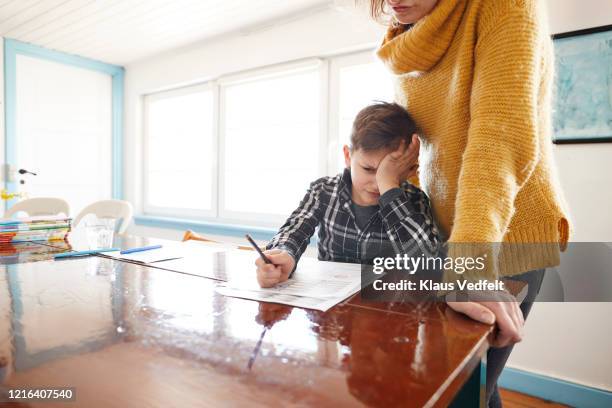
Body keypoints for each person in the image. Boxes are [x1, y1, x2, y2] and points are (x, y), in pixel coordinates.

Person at [369, 0, 571, 406]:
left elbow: (499, 139)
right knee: (456, 384)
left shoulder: (505, 7)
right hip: (443, 230)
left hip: (507, 231)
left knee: (468, 387)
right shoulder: (406, 37)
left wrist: (468, 263)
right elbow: (419, 152)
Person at [255, 101, 440, 288]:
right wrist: (283, 254)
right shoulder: (323, 191)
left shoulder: (415, 200)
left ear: (410, 169)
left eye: (389, 174)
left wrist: (390, 189)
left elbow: (428, 263)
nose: (378, 183)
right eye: (368, 169)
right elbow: (294, 229)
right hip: (333, 309)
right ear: (347, 156)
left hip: (388, 308)